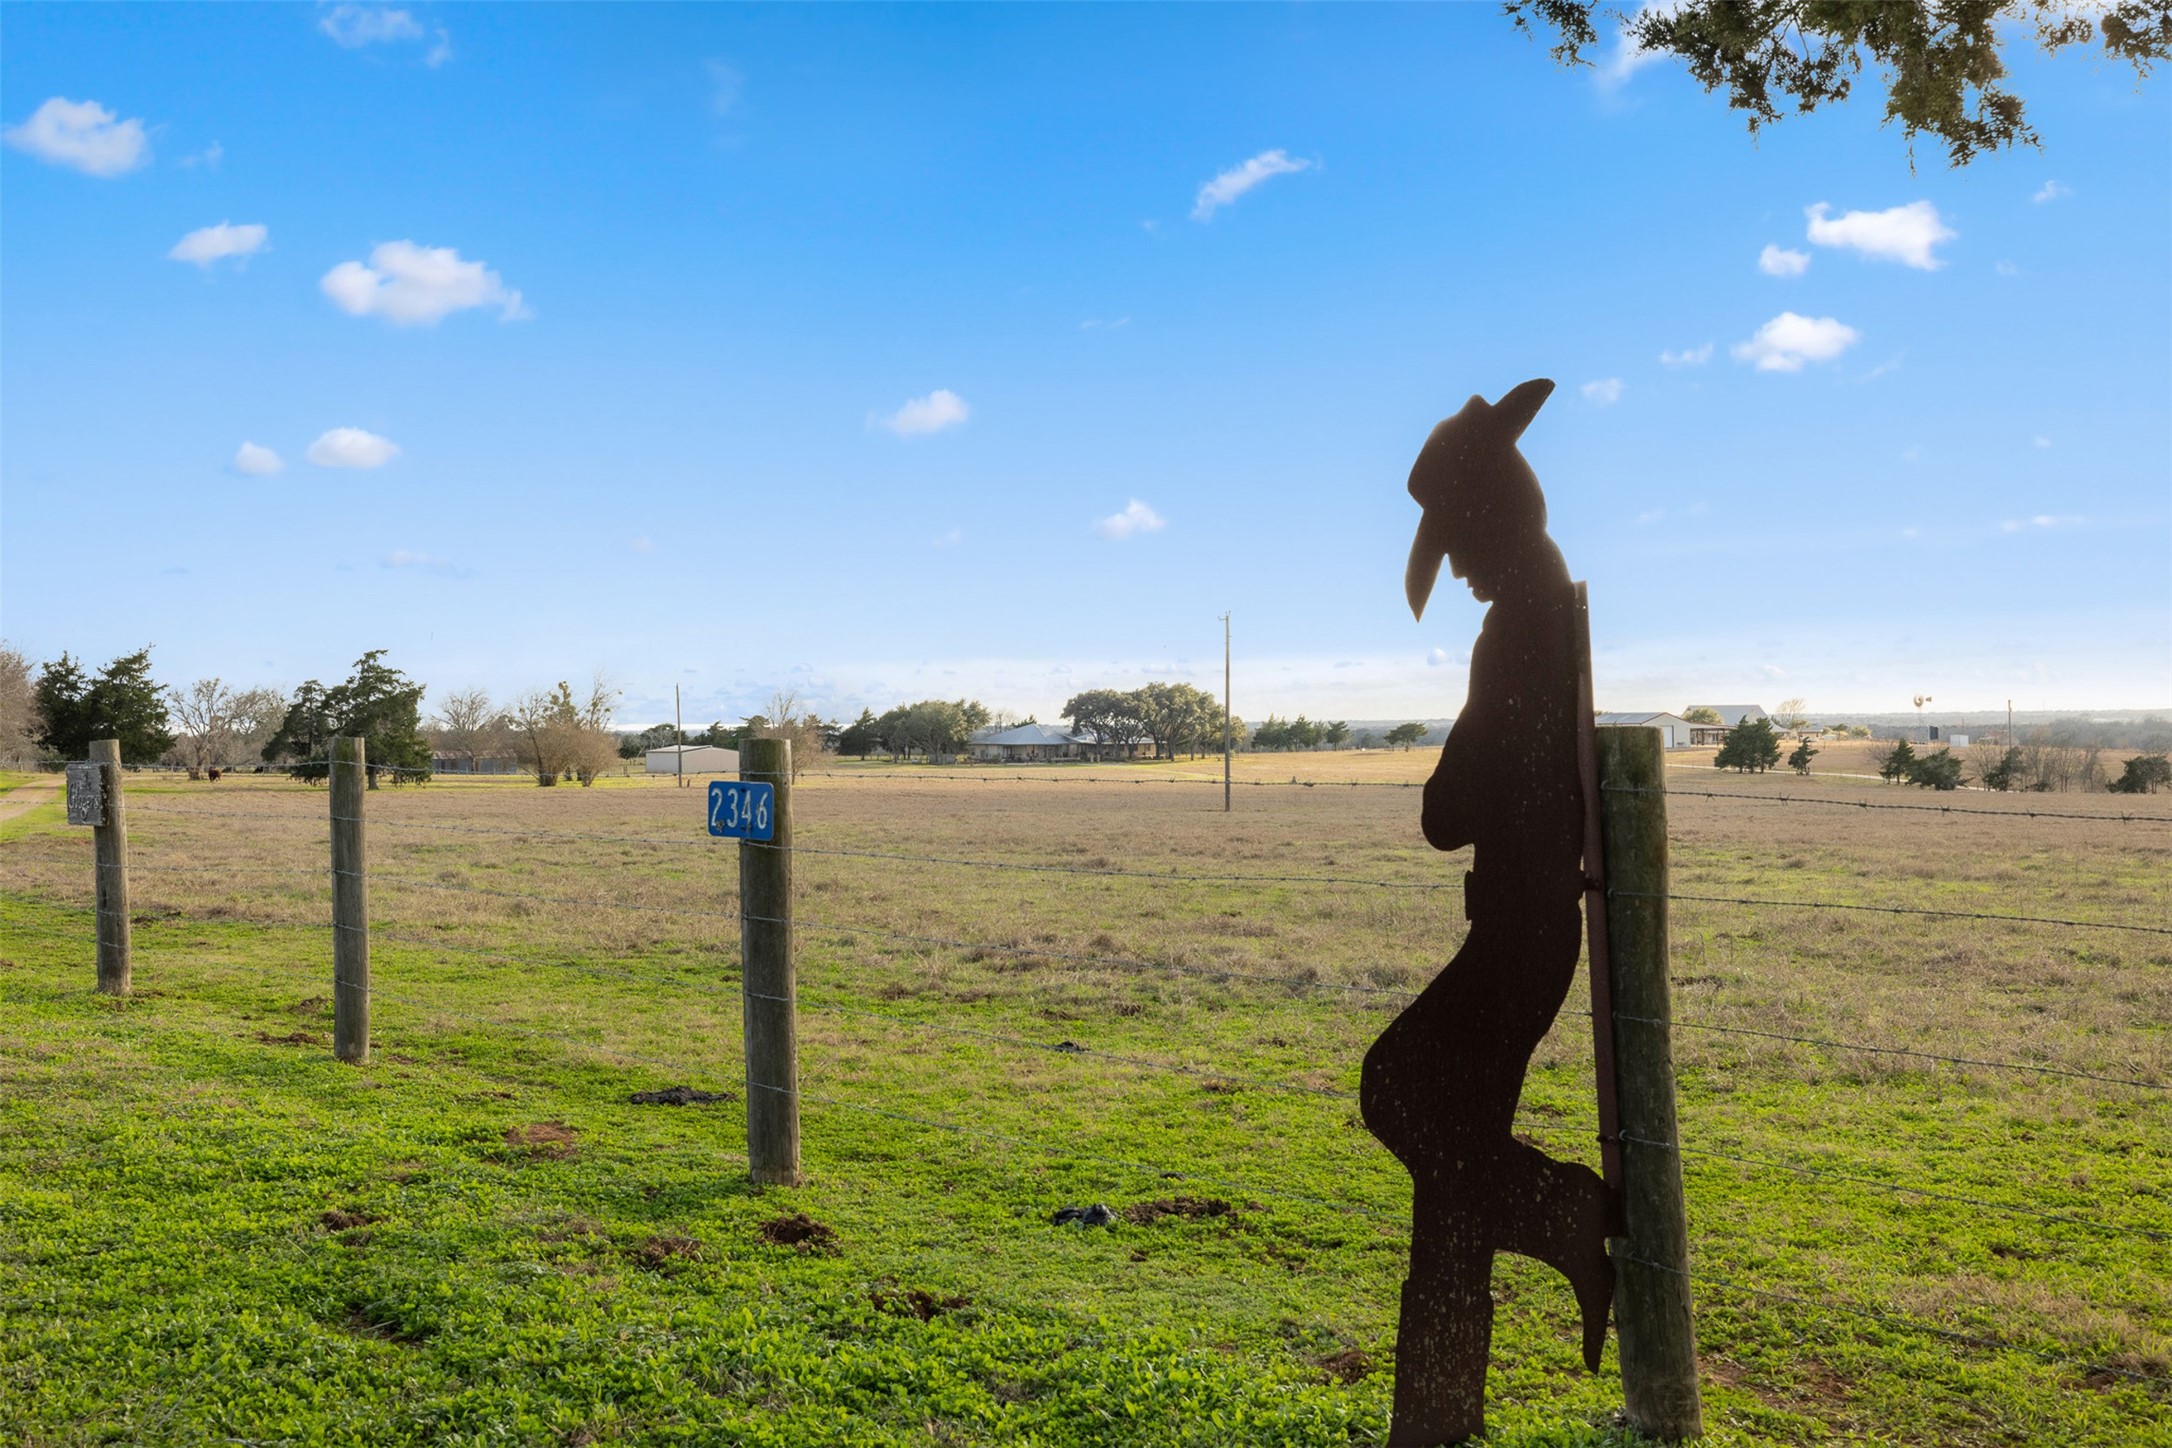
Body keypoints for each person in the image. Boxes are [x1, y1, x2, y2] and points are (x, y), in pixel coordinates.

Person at [1361, 378, 1615, 1444]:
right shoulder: (1537, 607)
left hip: (1518, 932)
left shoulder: (1519, 626)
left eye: (1457, 533)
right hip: (1524, 922)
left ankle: (1571, 1213)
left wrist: (1449, 780)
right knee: (1452, 1166)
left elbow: (1448, 808)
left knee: (1399, 1085)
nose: (1452, 560)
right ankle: (1436, 1416)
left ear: (1493, 513)